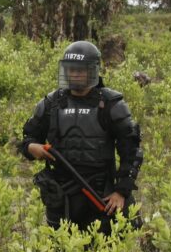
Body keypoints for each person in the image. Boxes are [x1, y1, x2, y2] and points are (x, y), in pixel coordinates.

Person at [19, 40, 143, 233]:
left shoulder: (111, 104)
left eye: (81, 70)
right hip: (60, 195)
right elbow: (27, 139)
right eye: (71, 69)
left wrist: (121, 192)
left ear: (93, 70)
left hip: (101, 194)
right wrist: (33, 148)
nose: (75, 74)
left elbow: (132, 152)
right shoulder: (51, 104)